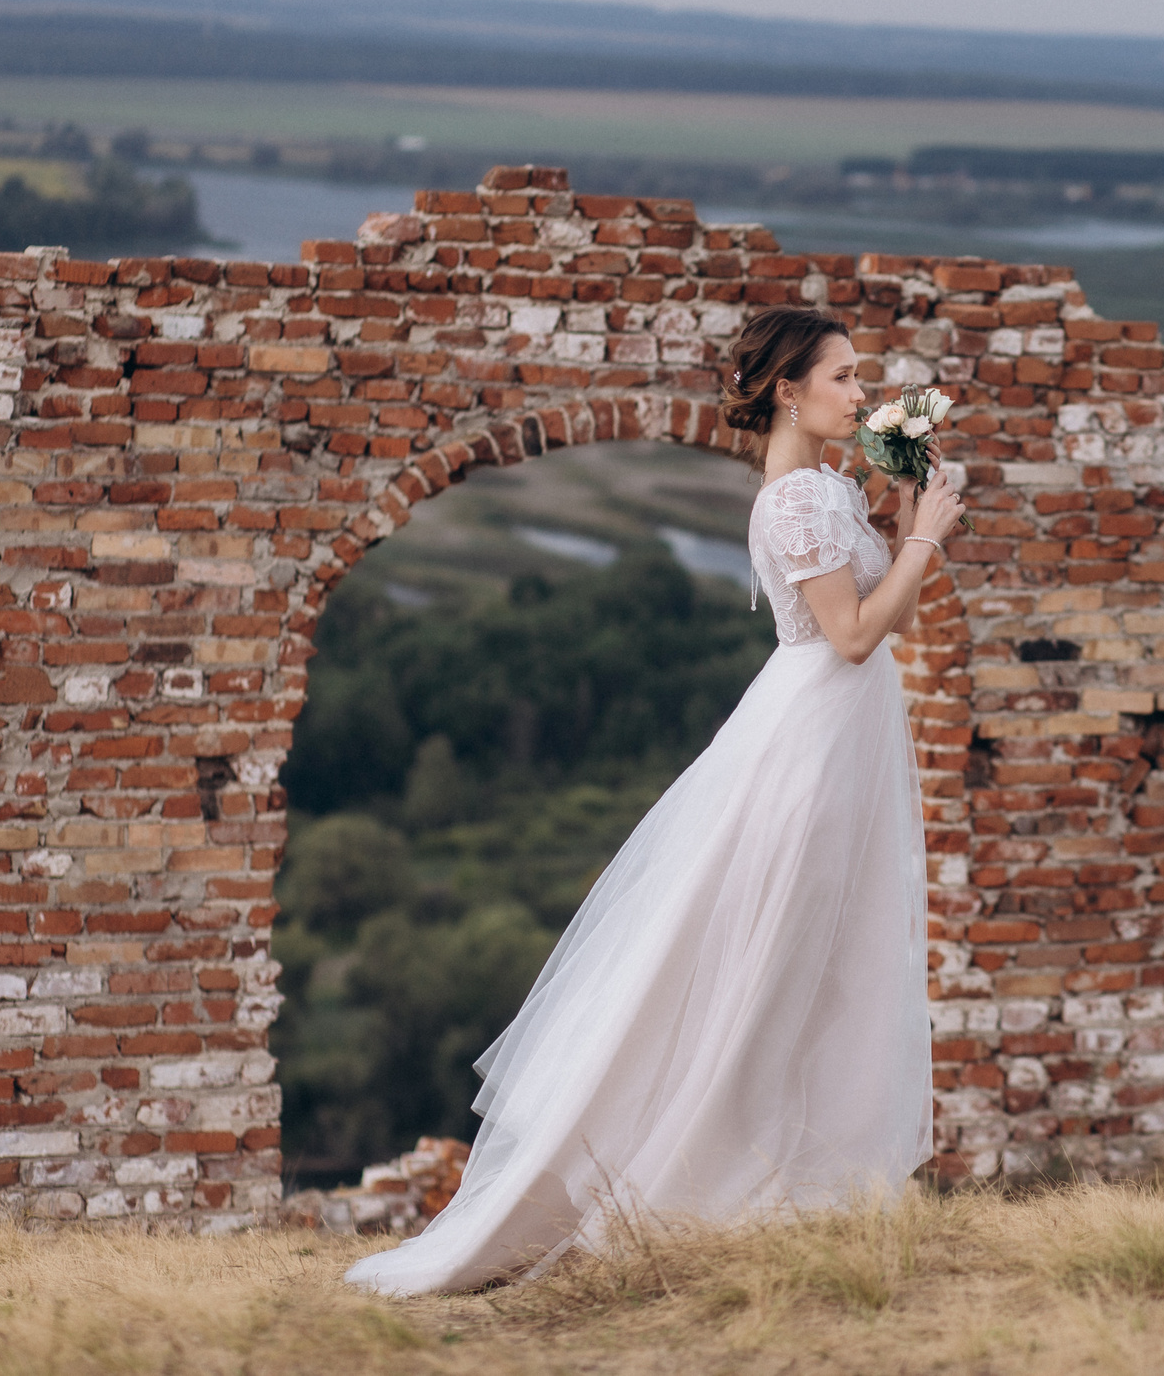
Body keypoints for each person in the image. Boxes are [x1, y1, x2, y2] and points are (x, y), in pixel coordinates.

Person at [344, 306, 964, 1296]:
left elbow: (889, 616)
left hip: (847, 732)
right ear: (786, 391)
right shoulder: (795, 502)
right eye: (843, 377)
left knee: (833, 957)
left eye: (861, 377)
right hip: (812, 737)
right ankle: (700, 1183)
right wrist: (925, 539)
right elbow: (852, 637)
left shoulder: (833, 491)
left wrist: (902, 515)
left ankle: (803, 1186)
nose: (862, 392)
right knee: (770, 961)